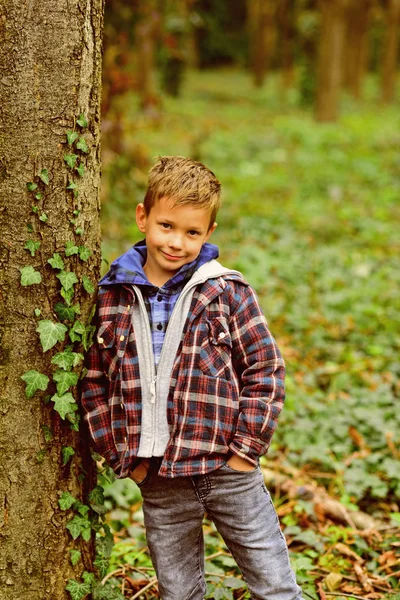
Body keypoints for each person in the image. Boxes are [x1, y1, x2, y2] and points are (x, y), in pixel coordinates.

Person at [81, 156, 303, 600]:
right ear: (143, 218)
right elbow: (93, 385)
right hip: (159, 476)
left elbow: (265, 368)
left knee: (274, 582)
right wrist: (128, 461)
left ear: (209, 234)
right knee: (178, 592)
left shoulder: (226, 292)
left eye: (192, 232)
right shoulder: (112, 296)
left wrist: (245, 451)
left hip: (226, 466)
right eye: (166, 226)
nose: (177, 242)